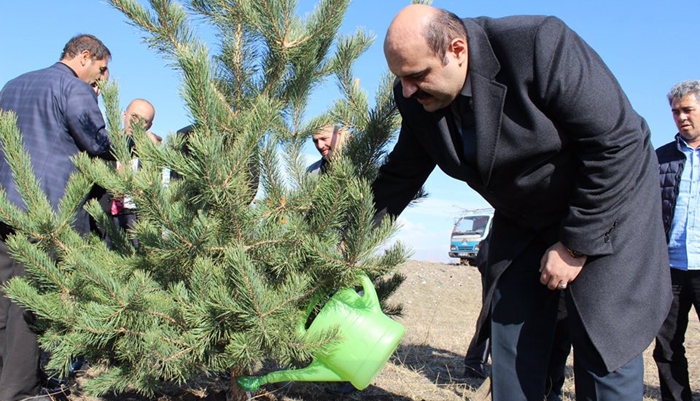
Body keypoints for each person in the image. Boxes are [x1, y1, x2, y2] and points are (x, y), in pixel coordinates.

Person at [373, 5, 671, 400]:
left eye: (416, 76)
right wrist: (349, 239)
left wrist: (574, 244)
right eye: (400, 79)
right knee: (513, 345)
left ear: (458, 50)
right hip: (524, 217)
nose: (407, 90)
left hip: (606, 205)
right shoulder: (414, 98)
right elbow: (401, 175)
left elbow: (618, 144)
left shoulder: (537, 45)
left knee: (603, 349)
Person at [0, 34, 112, 401]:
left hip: (5, 208)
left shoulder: (13, 85)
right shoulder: (74, 88)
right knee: (34, 306)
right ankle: (19, 391)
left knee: (4, 299)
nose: (103, 79)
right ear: (84, 57)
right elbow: (96, 144)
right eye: (102, 69)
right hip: (48, 215)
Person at [654, 80, 700, 401]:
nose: (681, 117)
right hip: (669, 270)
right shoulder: (661, 158)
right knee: (667, 345)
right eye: (675, 112)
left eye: (688, 110)